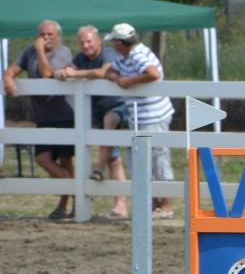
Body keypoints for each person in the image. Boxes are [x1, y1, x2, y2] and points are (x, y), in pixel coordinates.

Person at [100, 22, 175, 219]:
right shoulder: (128, 56)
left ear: (119, 42)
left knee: (158, 158)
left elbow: (153, 73)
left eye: (114, 42)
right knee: (145, 159)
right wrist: (119, 78)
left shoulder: (137, 55)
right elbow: (108, 71)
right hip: (142, 115)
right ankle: (153, 205)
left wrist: (128, 81)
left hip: (153, 115)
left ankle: (165, 205)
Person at [1, 19, 75, 219]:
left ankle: (65, 204)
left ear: (58, 36)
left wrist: (40, 51)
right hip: (42, 116)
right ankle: (76, 190)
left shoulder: (63, 52)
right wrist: (8, 79)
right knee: (43, 159)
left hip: (64, 115)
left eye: (50, 34)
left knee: (65, 159)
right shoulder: (29, 51)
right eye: (43, 34)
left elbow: (47, 73)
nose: (46, 38)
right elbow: (11, 70)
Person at [56, 25, 129, 219]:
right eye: (82, 42)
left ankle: (98, 169)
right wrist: (63, 72)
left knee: (111, 124)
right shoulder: (81, 58)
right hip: (97, 111)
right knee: (114, 159)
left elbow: (103, 72)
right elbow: (67, 69)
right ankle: (120, 205)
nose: (85, 45)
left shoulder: (108, 54)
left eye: (89, 41)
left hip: (120, 106)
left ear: (97, 41)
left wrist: (74, 74)